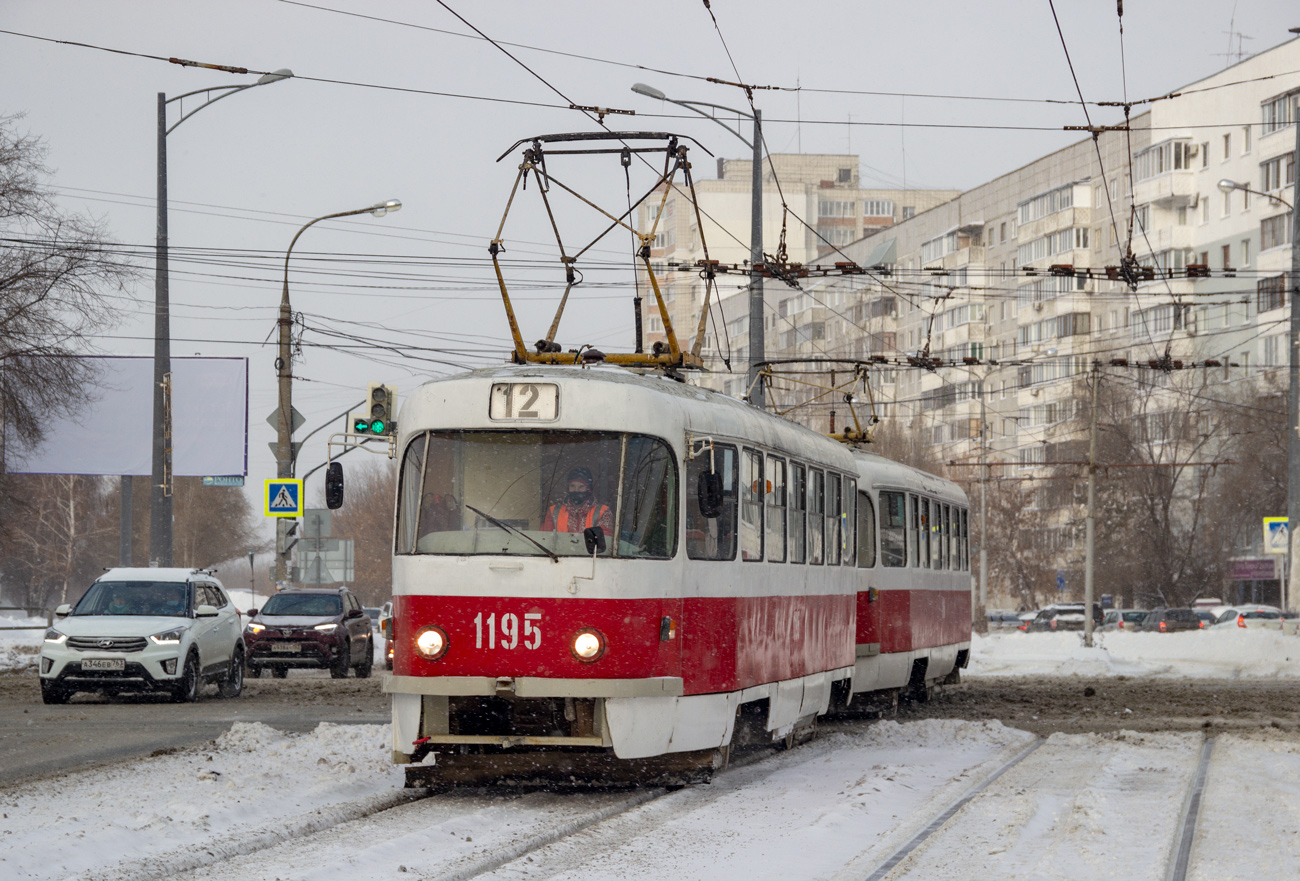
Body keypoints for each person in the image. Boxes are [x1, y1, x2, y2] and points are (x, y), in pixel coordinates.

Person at [542, 467, 613, 535]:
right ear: (568, 488)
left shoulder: (602, 512)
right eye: (572, 486)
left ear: (589, 489)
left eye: (581, 486)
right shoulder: (554, 511)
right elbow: (545, 538)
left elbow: (604, 541)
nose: (576, 490)